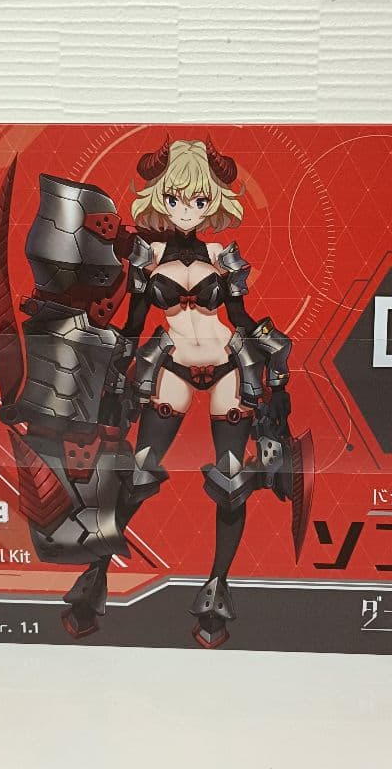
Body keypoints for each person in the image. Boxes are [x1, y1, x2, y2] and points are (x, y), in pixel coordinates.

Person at [113, 137, 293, 647]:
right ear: (158, 197)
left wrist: (275, 355)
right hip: (170, 361)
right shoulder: (146, 256)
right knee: (140, 468)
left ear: (213, 201)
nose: (186, 210)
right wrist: (115, 369)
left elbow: (239, 317)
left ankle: (217, 587)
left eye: (197, 199)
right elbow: (133, 322)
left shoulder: (222, 255)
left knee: (231, 479)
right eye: (174, 198)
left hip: (226, 362)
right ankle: (97, 567)